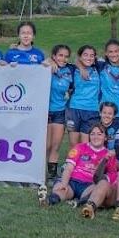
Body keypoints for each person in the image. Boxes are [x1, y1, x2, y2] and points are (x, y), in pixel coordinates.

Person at [48, 123, 118, 218]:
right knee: (60, 189)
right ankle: (50, 199)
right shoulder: (80, 147)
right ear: (89, 136)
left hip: (89, 185)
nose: (95, 137)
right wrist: (64, 184)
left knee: (96, 191)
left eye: (99, 134)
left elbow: (112, 174)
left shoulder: (108, 155)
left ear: (105, 137)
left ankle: (80, 202)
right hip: (72, 181)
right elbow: (69, 168)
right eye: (92, 134)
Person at [43, 45, 74, 183]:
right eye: (60, 55)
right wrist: (48, 61)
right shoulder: (46, 67)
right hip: (46, 111)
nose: (63, 58)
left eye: (66, 56)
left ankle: (51, 176)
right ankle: (37, 173)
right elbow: (39, 64)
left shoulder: (70, 70)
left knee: (56, 145)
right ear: (54, 56)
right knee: (47, 145)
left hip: (60, 111)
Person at [67, 45, 101, 146]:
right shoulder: (72, 69)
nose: (89, 58)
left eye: (92, 55)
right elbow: (52, 61)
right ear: (80, 56)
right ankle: (73, 162)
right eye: (85, 55)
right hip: (74, 109)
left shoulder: (99, 68)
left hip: (92, 110)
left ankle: (86, 162)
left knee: (87, 144)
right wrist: (81, 68)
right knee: (74, 144)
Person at [97, 40, 119, 126]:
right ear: (106, 53)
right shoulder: (101, 65)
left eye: (116, 51)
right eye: (110, 52)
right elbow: (81, 59)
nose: (114, 54)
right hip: (104, 112)